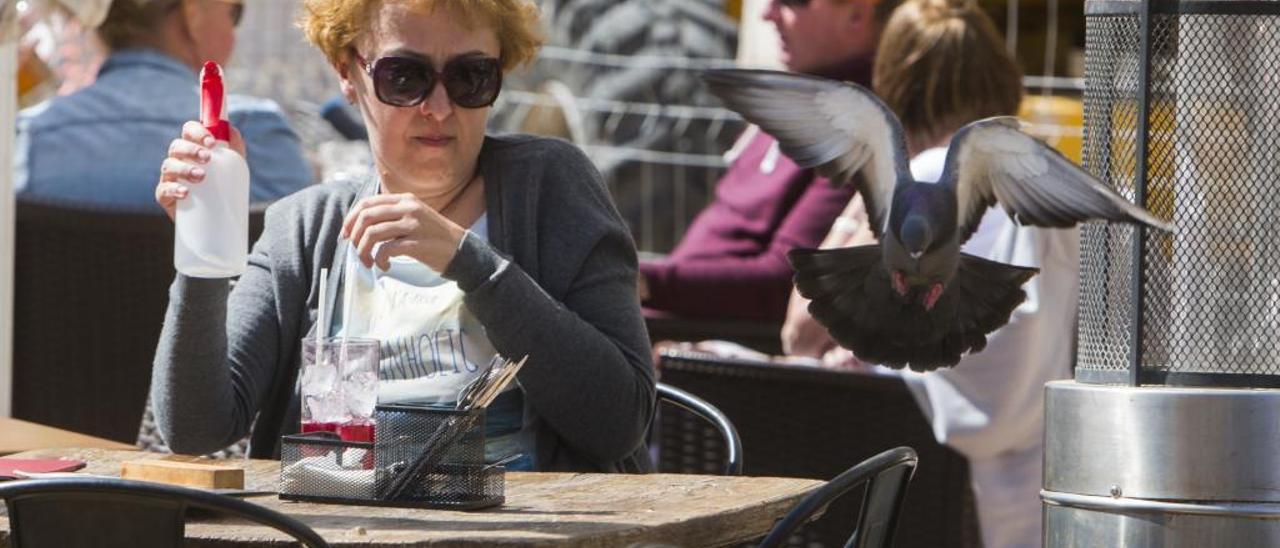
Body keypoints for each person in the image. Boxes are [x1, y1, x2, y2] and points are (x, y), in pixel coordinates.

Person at [149, 0, 656, 473]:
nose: (437, 107)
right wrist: (203, 244)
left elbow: (621, 423)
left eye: (471, 77)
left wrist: (471, 263)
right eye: (404, 77)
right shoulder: (306, 227)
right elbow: (196, 429)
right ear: (348, 73)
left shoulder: (551, 186)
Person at [779, 0, 1076, 545]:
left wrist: (858, 211)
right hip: (1049, 477)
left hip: (924, 481)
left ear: (893, 83)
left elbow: (797, 332)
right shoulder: (1038, 175)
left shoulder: (922, 183)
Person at [637, 0, 901, 323]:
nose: (768, 14)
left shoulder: (857, 133)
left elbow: (783, 282)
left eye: (791, 2)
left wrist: (645, 281)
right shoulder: (798, 102)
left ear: (858, 15)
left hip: (706, 348)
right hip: (670, 325)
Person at [14, 0, 311, 209]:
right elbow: (301, 273)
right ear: (191, 12)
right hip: (206, 300)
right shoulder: (252, 132)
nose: (234, 33)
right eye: (233, 13)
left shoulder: (26, 139)